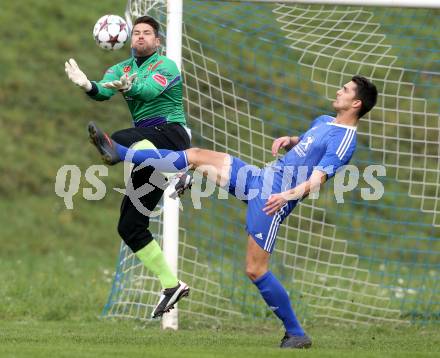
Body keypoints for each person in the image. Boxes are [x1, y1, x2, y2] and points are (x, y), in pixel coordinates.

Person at [88, 76, 378, 348]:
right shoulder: (325, 120)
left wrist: (286, 196)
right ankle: (120, 153)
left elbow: (317, 179)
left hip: (270, 201)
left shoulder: (345, 142)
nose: (339, 91)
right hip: (257, 178)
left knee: (255, 269)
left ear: (356, 104)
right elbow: (308, 141)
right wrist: (290, 140)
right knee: (196, 156)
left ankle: (296, 333)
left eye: (346, 90)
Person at [64, 16, 193, 318]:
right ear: (127, 38)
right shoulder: (120, 68)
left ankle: (178, 170)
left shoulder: (166, 66)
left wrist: (130, 87)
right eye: (136, 33)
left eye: (147, 33)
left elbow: (148, 92)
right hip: (146, 148)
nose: (140, 37)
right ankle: (171, 285)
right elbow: (104, 90)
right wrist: (87, 85)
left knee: (121, 138)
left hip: (172, 135)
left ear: (157, 41)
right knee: (129, 226)